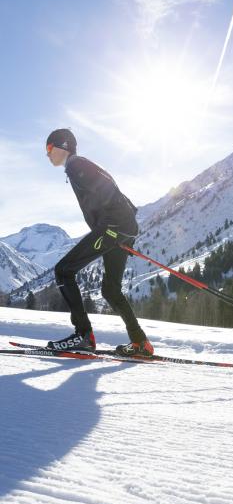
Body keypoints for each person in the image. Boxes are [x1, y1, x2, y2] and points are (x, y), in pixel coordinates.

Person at [45, 128, 154, 357]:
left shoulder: (76, 165)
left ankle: (83, 335)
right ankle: (140, 343)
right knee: (110, 290)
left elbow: (106, 192)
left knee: (64, 270)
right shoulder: (83, 165)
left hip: (113, 228)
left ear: (62, 146)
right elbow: (119, 195)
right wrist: (126, 232)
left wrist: (111, 228)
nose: (47, 155)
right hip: (120, 229)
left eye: (49, 148)